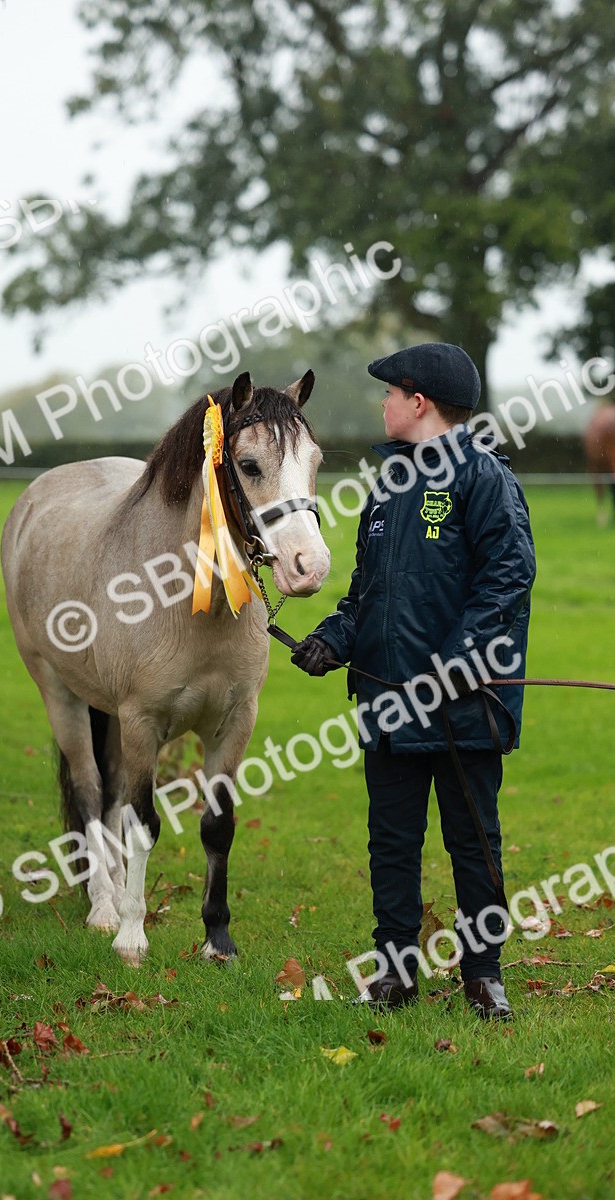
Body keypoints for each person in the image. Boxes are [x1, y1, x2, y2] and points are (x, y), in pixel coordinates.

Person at [293, 343, 535, 1020]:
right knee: (392, 844)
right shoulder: (387, 486)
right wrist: (334, 638)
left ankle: (483, 974)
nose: (384, 403)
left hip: (465, 706)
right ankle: (395, 973)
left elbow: (509, 578)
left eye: (391, 393)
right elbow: (365, 593)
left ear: (419, 402)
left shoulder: (484, 478)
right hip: (390, 708)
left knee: (473, 843)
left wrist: (459, 660)